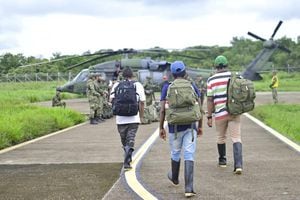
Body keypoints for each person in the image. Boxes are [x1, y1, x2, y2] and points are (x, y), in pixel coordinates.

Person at [159, 61, 203, 197]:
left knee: (175, 153)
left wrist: (161, 127)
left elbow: (162, 110)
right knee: (189, 154)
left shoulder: (167, 87)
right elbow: (199, 107)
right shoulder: (192, 86)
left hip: (174, 128)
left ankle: (175, 178)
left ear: (172, 74)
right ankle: (189, 188)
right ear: (185, 72)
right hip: (191, 126)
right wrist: (200, 126)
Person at [206, 55, 243, 174]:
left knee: (221, 137)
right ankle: (238, 165)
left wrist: (209, 116)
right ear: (227, 65)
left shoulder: (211, 80)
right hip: (234, 111)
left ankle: (222, 161)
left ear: (216, 66)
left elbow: (210, 100)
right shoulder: (235, 76)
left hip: (220, 114)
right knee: (236, 137)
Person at [110, 66, 145, 170]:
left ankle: (126, 156)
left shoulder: (116, 85)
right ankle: (127, 160)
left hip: (120, 119)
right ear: (132, 75)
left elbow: (111, 99)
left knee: (124, 139)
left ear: (122, 75)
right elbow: (142, 102)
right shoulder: (137, 85)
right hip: (134, 118)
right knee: (131, 138)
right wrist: (141, 116)